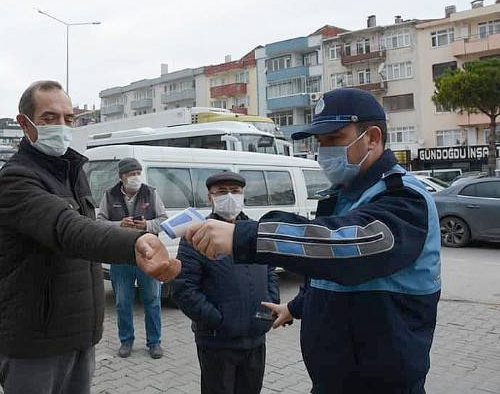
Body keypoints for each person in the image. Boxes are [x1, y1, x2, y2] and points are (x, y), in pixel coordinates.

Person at [185, 88, 442, 394]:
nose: (324, 151)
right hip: (333, 380)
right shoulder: (344, 196)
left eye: (334, 139)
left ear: (372, 138)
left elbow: (346, 248)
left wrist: (245, 236)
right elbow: (326, 269)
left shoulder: (404, 198)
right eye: (319, 142)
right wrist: (295, 307)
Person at [0, 80, 181, 394]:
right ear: (25, 123)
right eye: (49, 118)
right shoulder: (16, 178)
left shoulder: (73, 171)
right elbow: (69, 229)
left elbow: (90, 229)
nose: (61, 126)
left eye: (68, 119)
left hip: (78, 332)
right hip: (35, 339)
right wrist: (135, 243)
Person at [172, 172, 279, 394]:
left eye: (235, 191)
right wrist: (219, 320)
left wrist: (271, 306)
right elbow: (184, 289)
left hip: (256, 336)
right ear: (210, 197)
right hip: (217, 342)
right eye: (222, 192)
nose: (230, 197)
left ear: (243, 195)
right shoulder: (196, 235)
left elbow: (270, 271)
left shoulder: (254, 231)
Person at [97, 158, 168, 359]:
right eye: (131, 174)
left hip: (149, 256)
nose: (136, 177)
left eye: (138, 172)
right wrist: (120, 224)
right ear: (122, 177)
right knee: (122, 302)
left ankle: (154, 343)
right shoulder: (109, 195)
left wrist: (147, 225)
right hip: (121, 256)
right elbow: (99, 222)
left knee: (152, 300)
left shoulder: (150, 192)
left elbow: (163, 220)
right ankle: (126, 341)